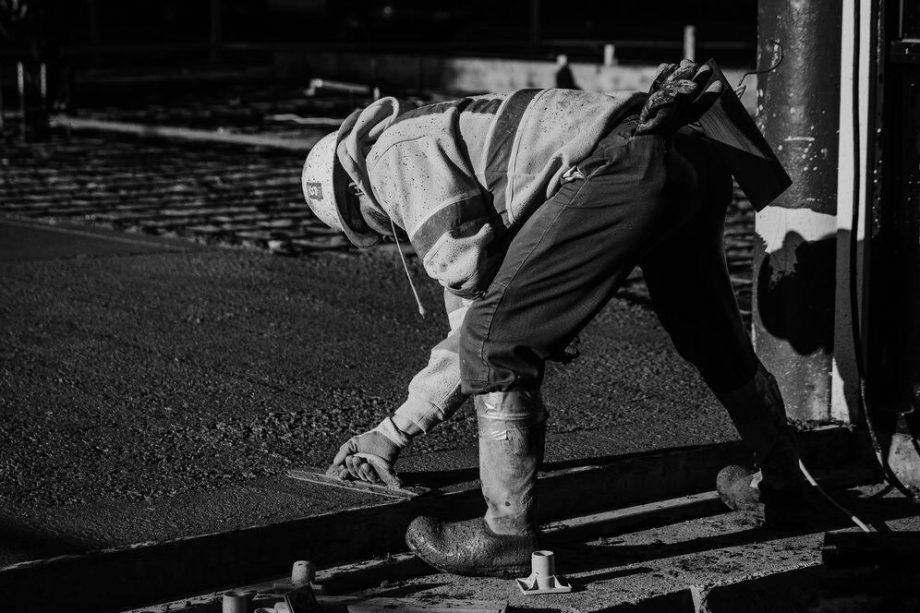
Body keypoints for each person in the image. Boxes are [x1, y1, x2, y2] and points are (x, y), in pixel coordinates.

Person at [301, 60, 806, 578]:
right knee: (709, 333)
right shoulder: (439, 134)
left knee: (495, 344)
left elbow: (477, 320)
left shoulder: (391, 160)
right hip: (686, 152)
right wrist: (394, 431)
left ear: (354, 193)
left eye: (368, 226)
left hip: (624, 164)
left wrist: (392, 432)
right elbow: (478, 299)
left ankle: (505, 533)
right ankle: (784, 477)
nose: (385, 231)